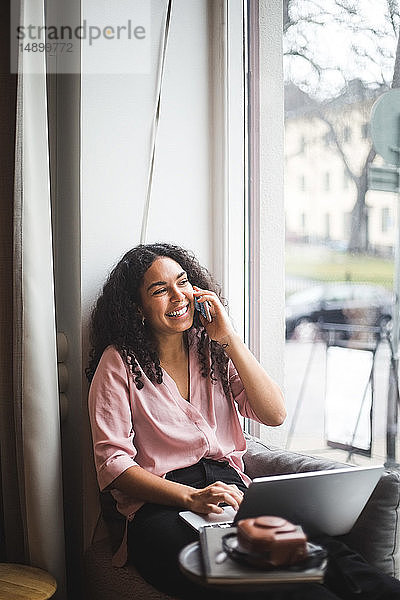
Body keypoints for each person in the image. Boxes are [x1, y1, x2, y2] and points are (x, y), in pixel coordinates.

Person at [87, 242, 400, 600]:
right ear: (137, 308)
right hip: (162, 508)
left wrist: (230, 338)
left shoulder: (211, 348)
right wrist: (191, 497)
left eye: (183, 282)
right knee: (270, 581)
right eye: (160, 290)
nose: (179, 296)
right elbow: (113, 466)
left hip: (234, 494)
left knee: (335, 559)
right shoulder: (118, 364)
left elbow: (274, 414)